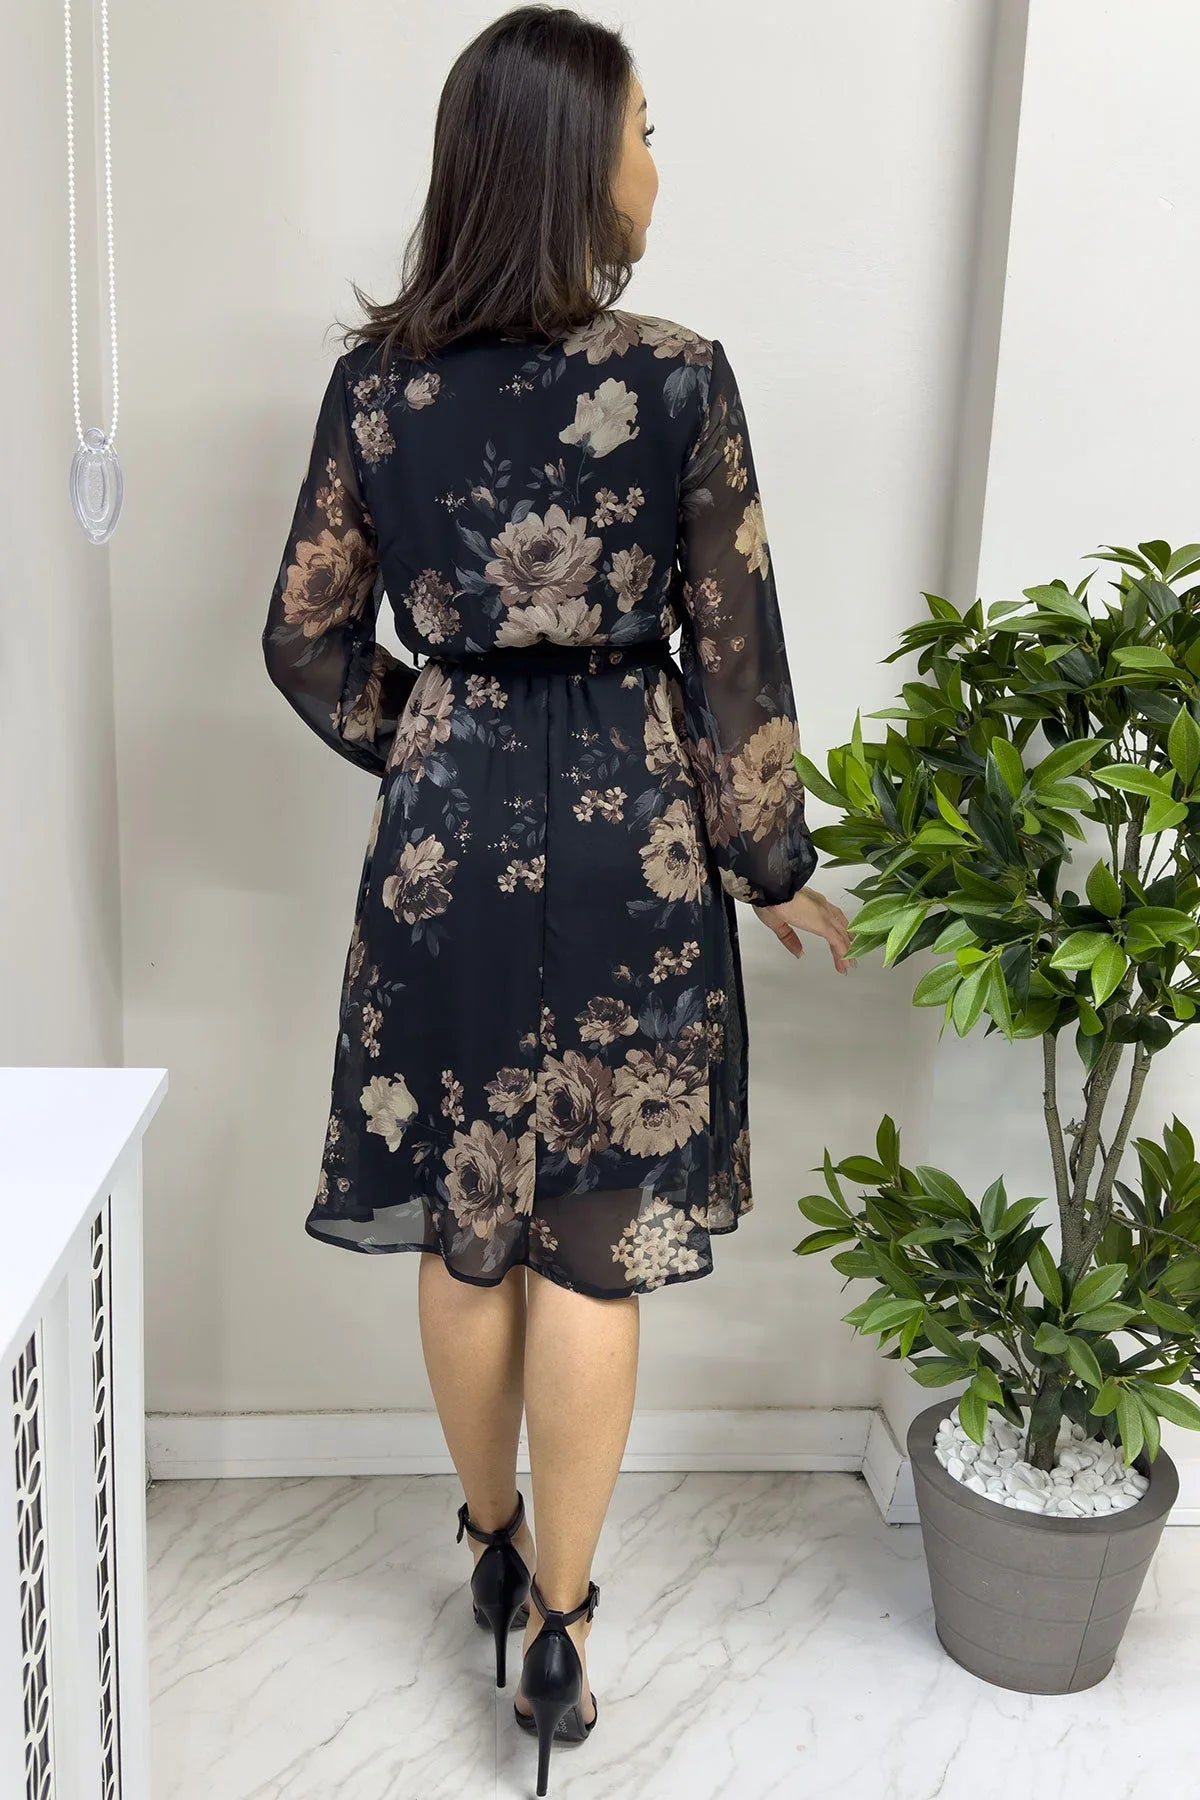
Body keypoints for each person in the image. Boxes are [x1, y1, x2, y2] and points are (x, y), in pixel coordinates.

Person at [261, 5, 852, 1790]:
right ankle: (567, 1633)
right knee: (592, 1241)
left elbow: (303, 637)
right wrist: (770, 862)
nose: (657, 162)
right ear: (575, 162)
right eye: (643, 128)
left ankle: (490, 1544)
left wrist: (435, 741)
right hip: (629, 842)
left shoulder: (378, 390)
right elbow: (733, 648)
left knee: (471, 1221)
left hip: (445, 852)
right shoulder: (680, 378)